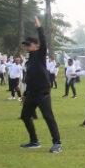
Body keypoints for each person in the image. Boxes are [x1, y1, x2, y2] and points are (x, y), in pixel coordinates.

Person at [19, 17, 62, 153]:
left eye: (28, 44)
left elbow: (44, 41)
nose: (26, 46)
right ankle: (34, 141)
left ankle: (57, 143)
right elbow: (30, 79)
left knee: (48, 117)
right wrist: (25, 94)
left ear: (36, 45)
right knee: (25, 116)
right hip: (31, 94)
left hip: (43, 93)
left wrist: (39, 28)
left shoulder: (40, 53)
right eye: (25, 45)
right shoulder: (29, 60)